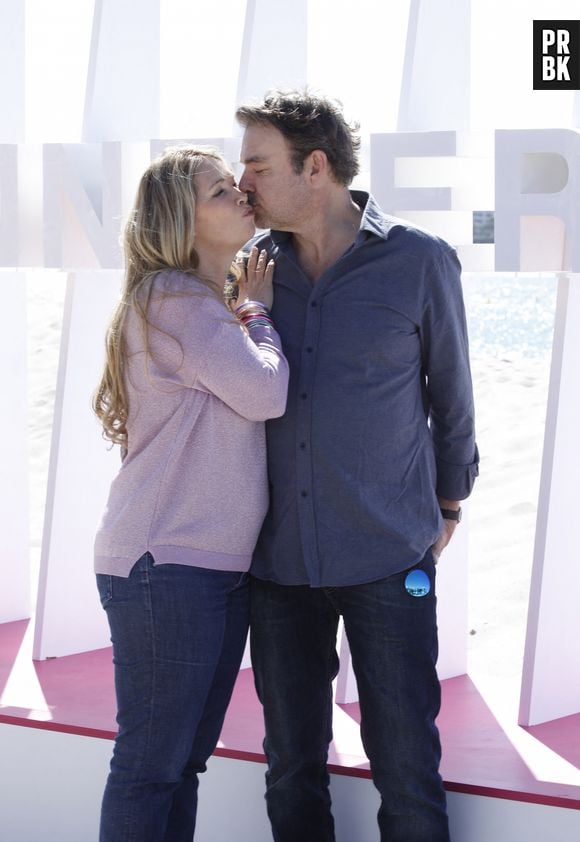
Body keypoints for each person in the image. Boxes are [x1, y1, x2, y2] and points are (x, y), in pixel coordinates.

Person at [235, 90, 479, 842]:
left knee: (406, 769)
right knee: (291, 769)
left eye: (257, 165)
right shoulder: (251, 270)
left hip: (388, 559)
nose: (244, 183)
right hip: (277, 567)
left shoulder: (419, 261)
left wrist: (448, 507)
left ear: (315, 167)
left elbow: (454, 397)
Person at [92, 144, 289, 842]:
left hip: (203, 569)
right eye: (217, 193)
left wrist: (240, 309)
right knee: (152, 767)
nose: (239, 195)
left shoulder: (201, 304)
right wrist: (257, 311)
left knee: (179, 765)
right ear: (182, 220)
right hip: (166, 567)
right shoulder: (175, 298)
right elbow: (264, 392)